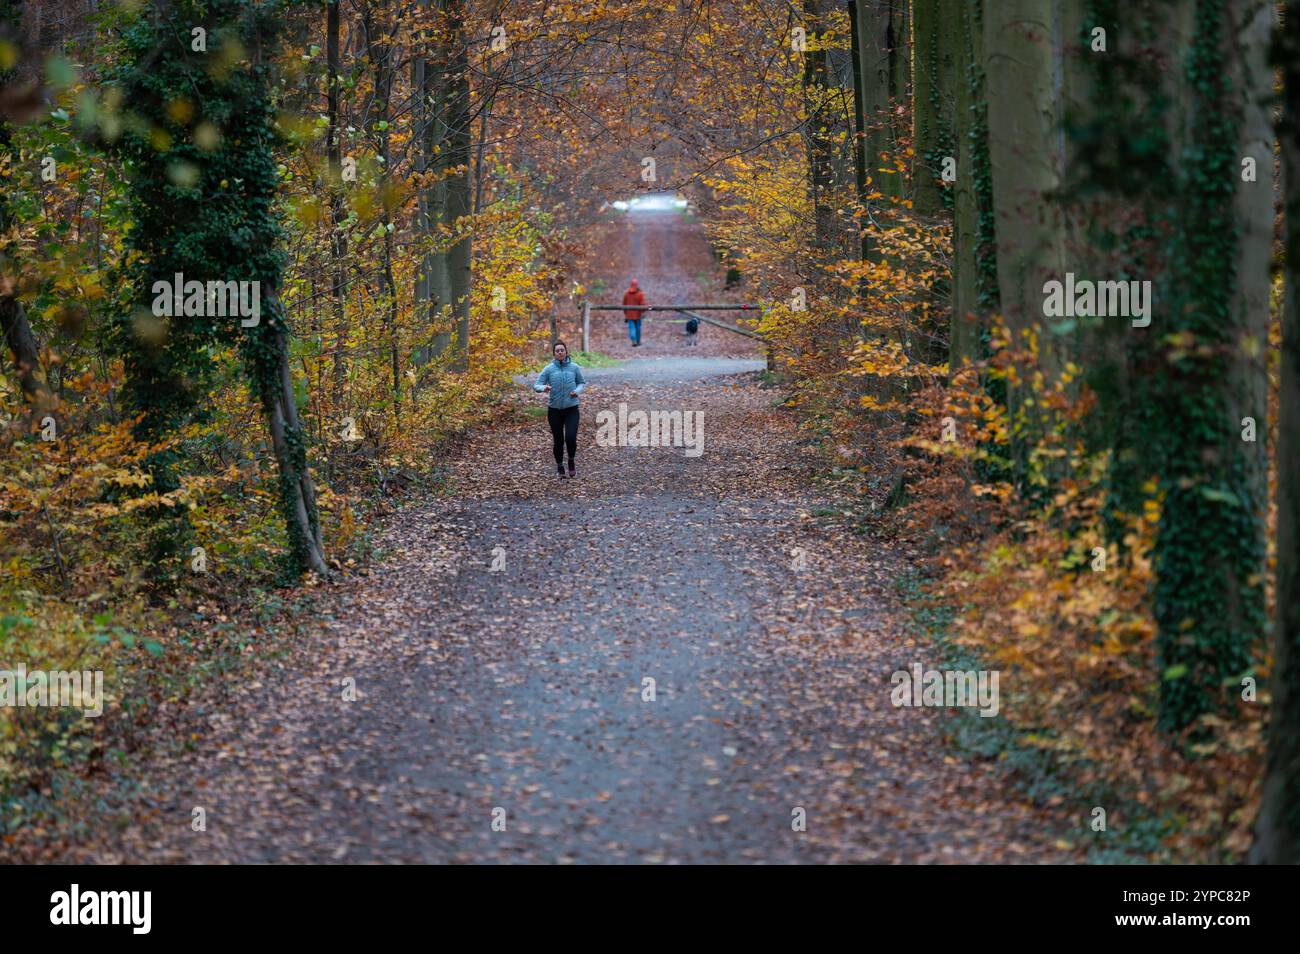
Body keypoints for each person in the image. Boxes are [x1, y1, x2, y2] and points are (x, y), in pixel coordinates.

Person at [533, 340, 585, 478]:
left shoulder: (574, 367)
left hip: (571, 408)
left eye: (562, 350)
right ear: (554, 354)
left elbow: (581, 383)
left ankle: (571, 461)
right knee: (558, 440)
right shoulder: (549, 369)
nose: (560, 352)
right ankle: (560, 465)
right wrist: (544, 388)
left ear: (566, 352)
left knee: (570, 437)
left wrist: (577, 391)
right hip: (554, 410)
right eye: (557, 351)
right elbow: (536, 385)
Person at [622, 279, 647, 347]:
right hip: (638, 315)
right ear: (637, 285)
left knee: (632, 328)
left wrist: (625, 314)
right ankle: (638, 341)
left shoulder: (626, 294)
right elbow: (642, 304)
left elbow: (624, 304)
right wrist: (643, 312)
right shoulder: (640, 294)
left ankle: (633, 340)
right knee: (638, 328)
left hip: (629, 315)